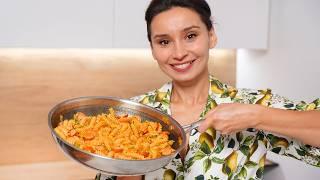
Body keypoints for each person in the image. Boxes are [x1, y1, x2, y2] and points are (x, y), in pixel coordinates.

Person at [99, 0, 320, 179]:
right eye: (164, 42)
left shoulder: (249, 103)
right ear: (153, 49)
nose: (178, 52)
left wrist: (256, 116)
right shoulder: (131, 116)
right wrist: (132, 167)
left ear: (211, 36)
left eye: (190, 36)